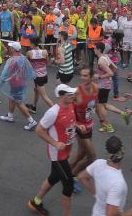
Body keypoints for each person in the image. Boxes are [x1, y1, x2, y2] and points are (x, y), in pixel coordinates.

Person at [27, 84, 83, 216]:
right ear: (62, 96)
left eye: (72, 94)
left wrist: (78, 126)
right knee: (68, 186)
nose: (73, 96)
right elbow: (39, 130)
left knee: (53, 178)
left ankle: (35, 202)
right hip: (58, 156)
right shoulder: (53, 112)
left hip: (66, 151)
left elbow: (70, 122)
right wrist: (55, 143)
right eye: (70, 95)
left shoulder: (70, 106)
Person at [77, 136, 132, 216]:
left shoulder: (98, 163)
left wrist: (96, 194)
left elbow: (82, 177)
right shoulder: (118, 183)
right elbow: (110, 214)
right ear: (122, 151)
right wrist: (129, 213)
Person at [0, 41, 37, 131]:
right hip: (21, 82)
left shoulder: (12, 60)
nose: (9, 48)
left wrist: (1, 80)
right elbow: (30, 70)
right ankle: (10, 116)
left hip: (15, 84)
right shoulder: (23, 57)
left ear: (13, 49)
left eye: (10, 47)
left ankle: (31, 121)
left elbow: (5, 73)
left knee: (19, 103)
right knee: (12, 98)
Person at [70, 67, 98, 183]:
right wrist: (76, 124)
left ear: (92, 77)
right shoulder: (77, 92)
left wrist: (103, 120)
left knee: (81, 154)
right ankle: (72, 175)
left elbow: (98, 105)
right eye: (81, 75)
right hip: (80, 128)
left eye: (86, 75)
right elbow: (69, 111)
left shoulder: (96, 88)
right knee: (92, 157)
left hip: (89, 124)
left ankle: (65, 173)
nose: (82, 78)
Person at [94, 43, 130, 133]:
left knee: (100, 106)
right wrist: (107, 78)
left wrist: (99, 76)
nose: (94, 49)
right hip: (106, 84)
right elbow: (115, 67)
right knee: (104, 104)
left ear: (99, 49)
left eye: (95, 48)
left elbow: (111, 73)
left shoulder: (101, 61)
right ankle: (123, 113)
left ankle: (108, 126)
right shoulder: (105, 56)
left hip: (103, 86)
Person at [27, 40, 54, 114]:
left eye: (30, 44)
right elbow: (47, 63)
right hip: (44, 75)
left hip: (38, 77)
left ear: (33, 44)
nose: (29, 45)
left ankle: (58, 112)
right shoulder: (45, 51)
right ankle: (34, 106)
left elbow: (28, 64)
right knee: (36, 90)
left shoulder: (29, 53)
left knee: (44, 96)